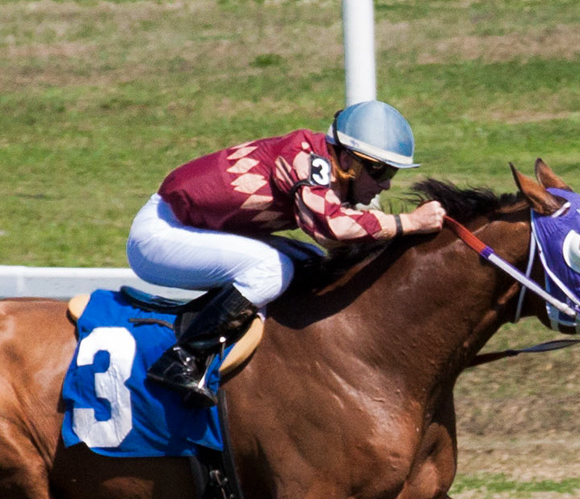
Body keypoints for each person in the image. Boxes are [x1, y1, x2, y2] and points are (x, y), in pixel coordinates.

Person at [125, 100, 450, 404]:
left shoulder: (323, 160)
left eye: (391, 174)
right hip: (160, 236)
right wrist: (408, 222)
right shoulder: (306, 162)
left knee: (309, 262)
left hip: (196, 229)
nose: (386, 185)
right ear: (348, 159)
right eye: (381, 171)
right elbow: (331, 229)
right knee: (270, 267)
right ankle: (183, 358)